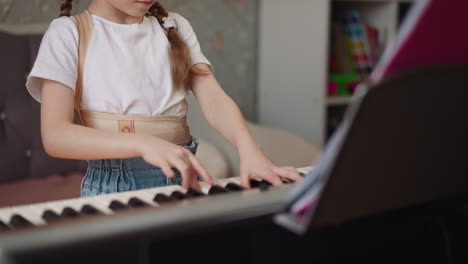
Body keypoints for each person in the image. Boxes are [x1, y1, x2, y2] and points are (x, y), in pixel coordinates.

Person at [26, 0, 302, 197]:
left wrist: (250, 150)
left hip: (183, 185)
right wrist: (144, 143)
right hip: (114, 188)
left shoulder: (174, 26)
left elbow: (214, 100)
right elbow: (56, 136)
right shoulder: (68, 33)